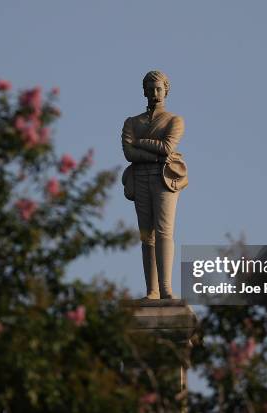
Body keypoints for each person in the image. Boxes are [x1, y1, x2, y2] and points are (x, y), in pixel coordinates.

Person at [121, 70, 185, 299]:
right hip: (140, 178)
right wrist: (154, 153)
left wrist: (141, 143)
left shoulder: (174, 120)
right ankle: (152, 290)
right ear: (144, 91)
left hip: (164, 179)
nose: (154, 93)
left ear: (166, 89)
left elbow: (168, 148)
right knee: (146, 235)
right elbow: (129, 153)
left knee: (164, 232)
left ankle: (166, 288)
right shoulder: (132, 121)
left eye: (158, 88)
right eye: (150, 88)